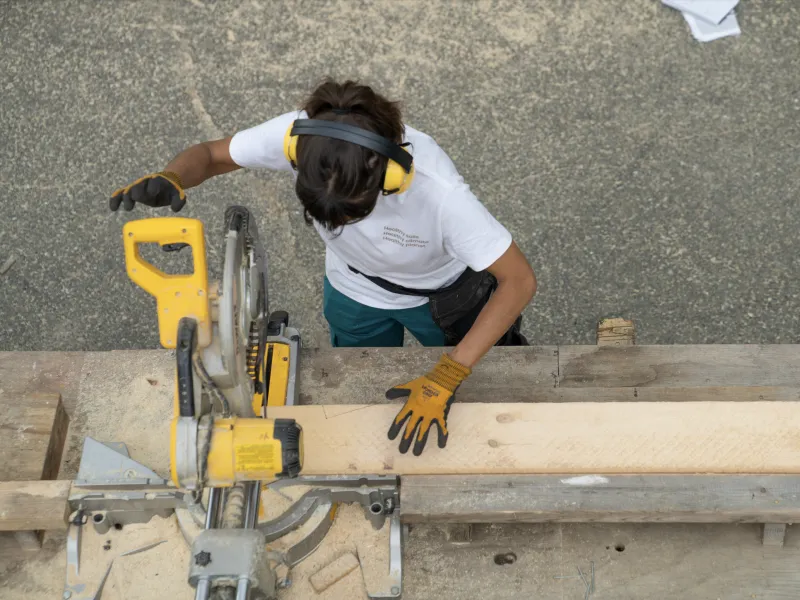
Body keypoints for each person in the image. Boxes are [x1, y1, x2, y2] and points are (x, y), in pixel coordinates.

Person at [110, 79, 537, 456]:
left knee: (481, 387)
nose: (339, 226)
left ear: (389, 177)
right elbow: (211, 154)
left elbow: (517, 281)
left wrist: (449, 371)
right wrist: (175, 176)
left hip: (441, 297)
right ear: (297, 155)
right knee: (358, 380)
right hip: (353, 289)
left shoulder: (441, 194)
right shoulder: (303, 138)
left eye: (353, 213)